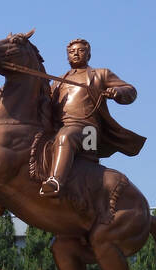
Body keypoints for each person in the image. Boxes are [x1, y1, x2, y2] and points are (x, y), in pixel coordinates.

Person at [40, 38, 145, 198]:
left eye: (80, 50)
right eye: (71, 51)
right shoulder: (58, 82)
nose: (75, 53)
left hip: (88, 129)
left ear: (88, 54)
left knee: (65, 136)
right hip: (61, 127)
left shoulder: (101, 74)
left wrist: (117, 92)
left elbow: (130, 90)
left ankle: (55, 182)